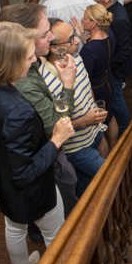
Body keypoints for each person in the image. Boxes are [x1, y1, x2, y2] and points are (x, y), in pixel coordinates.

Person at [0, 22, 74, 264]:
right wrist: (56, 140)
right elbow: (24, 174)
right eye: (29, 57)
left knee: (13, 225)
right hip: (31, 189)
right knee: (54, 232)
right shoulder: (18, 113)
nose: (34, 59)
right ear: (9, 63)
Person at [0, 3, 78, 216]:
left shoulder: (31, 64)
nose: (52, 37)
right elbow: (57, 126)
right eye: (45, 34)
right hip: (44, 161)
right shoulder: (24, 82)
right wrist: (68, 85)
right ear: (24, 40)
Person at [39, 18, 108, 196]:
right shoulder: (45, 81)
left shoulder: (75, 58)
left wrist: (97, 125)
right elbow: (54, 126)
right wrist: (84, 121)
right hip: (76, 147)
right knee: (107, 176)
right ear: (53, 48)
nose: (77, 41)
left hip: (95, 132)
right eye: (70, 39)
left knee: (87, 186)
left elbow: (88, 89)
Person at [93, 0, 132, 134]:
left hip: (115, 69)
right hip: (112, 66)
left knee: (116, 98)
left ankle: (125, 129)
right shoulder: (109, 10)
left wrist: (108, 64)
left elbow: (125, 49)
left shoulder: (118, 19)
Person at [79, 4, 119, 147]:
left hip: (97, 90)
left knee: (99, 128)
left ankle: (107, 160)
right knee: (110, 116)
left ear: (94, 23)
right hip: (108, 83)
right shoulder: (109, 35)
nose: (81, 21)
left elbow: (85, 77)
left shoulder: (89, 50)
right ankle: (115, 146)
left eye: (84, 19)